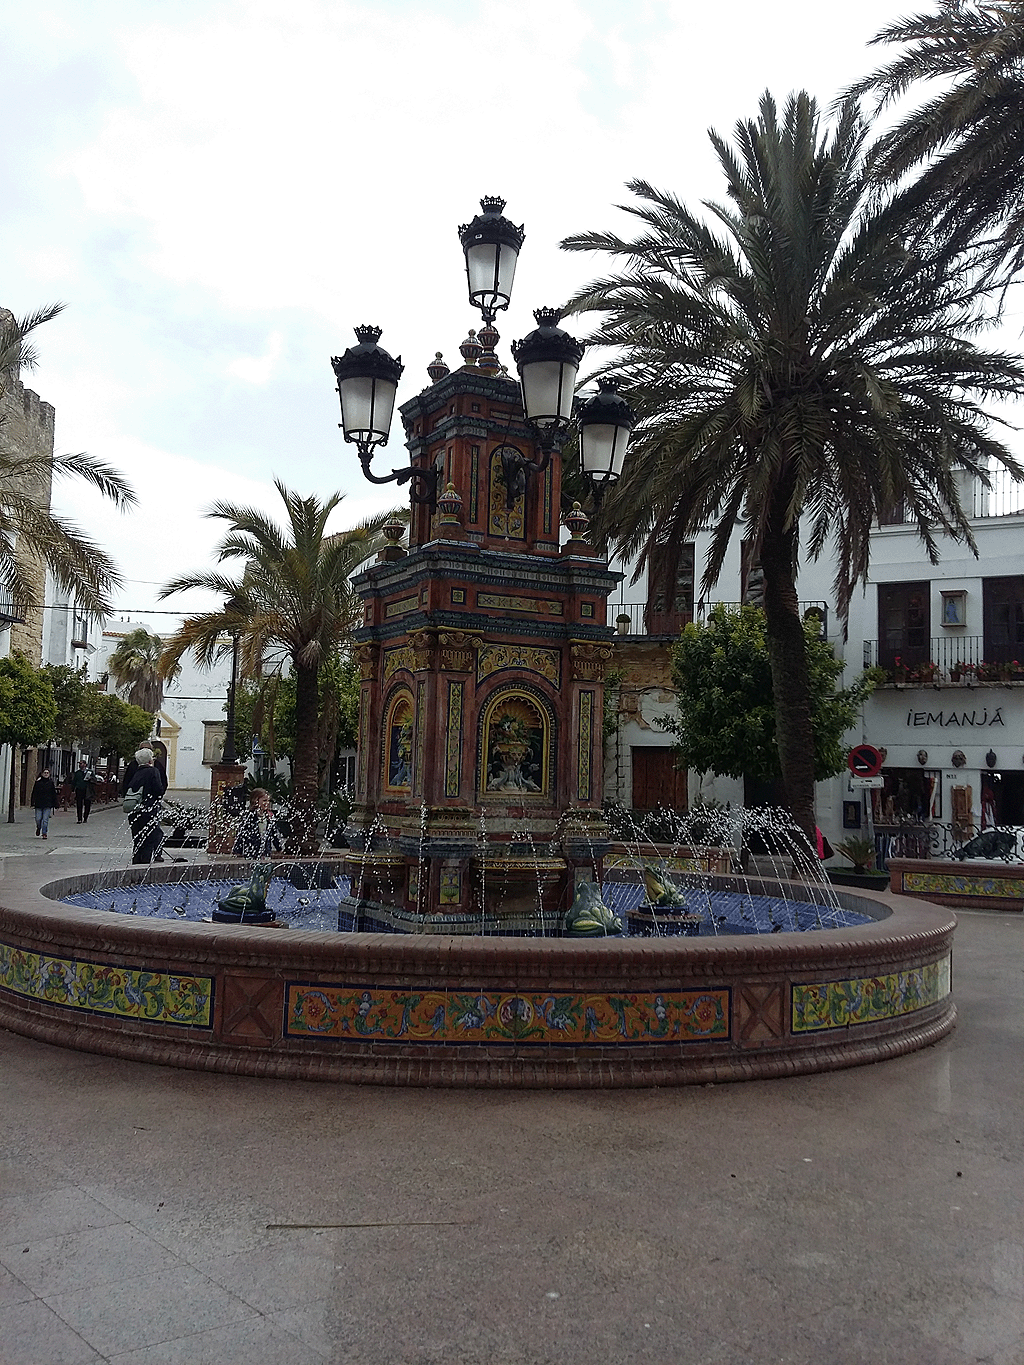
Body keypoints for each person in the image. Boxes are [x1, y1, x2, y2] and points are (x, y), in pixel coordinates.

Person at [125, 747, 167, 864]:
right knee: (148, 840)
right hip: (148, 811)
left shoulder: (137, 772)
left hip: (135, 811)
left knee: (137, 840)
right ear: (150, 760)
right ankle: (143, 868)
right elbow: (159, 790)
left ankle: (135, 865)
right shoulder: (153, 771)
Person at [233, 788, 284, 859]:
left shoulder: (269, 816)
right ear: (256, 801)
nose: (267, 803)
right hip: (252, 852)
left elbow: (273, 833)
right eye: (264, 800)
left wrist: (279, 848)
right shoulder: (249, 816)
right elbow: (242, 834)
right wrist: (238, 850)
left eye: (268, 800)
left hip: (266, 853)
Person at [31, 769, 59, 840]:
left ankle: (44, 833)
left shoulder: (51, 783)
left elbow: (53, 794)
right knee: (38, 819)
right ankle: (38, 827)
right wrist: (33, 801)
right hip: (39, 803)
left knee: (45, 819)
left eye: (47, 773)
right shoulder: (38, 783)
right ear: (42, 774)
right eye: (45, 773)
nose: (46, 774)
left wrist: (55, 803)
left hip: (47, 803)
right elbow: (34, 792)